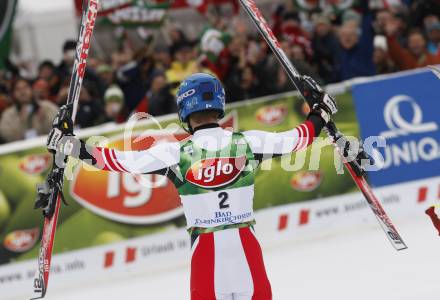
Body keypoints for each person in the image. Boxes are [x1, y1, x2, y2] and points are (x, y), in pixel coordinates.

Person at [46, 73, 337, 300]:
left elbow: (116, 161)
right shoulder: (246, 142)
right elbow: (300, 138)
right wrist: (320, 112)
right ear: (219, 104)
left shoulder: (174, 153)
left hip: (206, 253)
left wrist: (69, 143)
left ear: (185, 109)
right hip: (246, 247)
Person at [0, 78, 58, 143]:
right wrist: (22, 122)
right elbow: (7, 135)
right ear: (13, 94)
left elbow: (58, 128)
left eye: (25, 87)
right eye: (18, 89)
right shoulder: (8, 115)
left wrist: (44, 120)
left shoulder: (47, 107)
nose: (22, 92)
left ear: (32, 89)